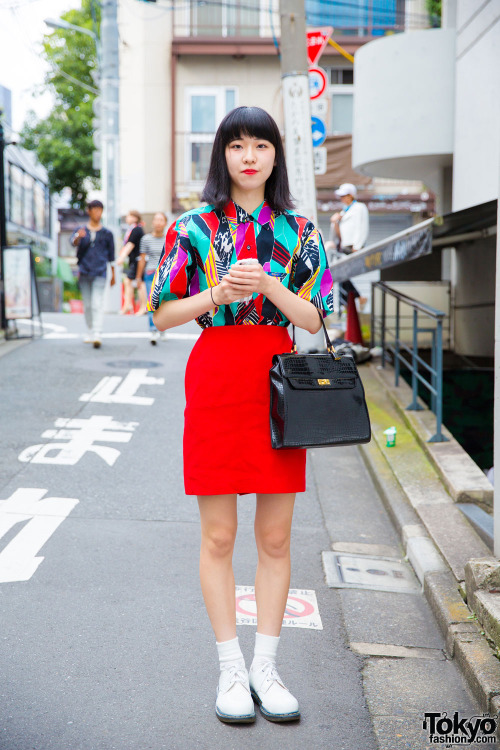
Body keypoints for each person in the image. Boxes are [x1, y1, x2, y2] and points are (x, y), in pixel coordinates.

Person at [148, 106, 334, 725]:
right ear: (222, 155)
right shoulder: (192, 228)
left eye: (260, 145)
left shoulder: (302, 230)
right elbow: (163, 313)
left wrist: (272, 290)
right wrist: (217, 294)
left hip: (279, 382)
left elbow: (314, 318)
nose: (248, 156)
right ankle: (230, 667)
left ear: (277, 156)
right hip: (216, 379)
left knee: (276, 536)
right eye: (237, 145)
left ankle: (266, 666)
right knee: (220, 535)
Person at [71, 199, 115, 349]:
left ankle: (97, 332)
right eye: (94, 210)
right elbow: (73, 242)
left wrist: (113, 274)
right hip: (84, 271)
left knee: (97, 303)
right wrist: (79, 237)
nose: (97, 213)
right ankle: (90, 330)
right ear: (89, 211)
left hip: (100, 271)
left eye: (100, 210)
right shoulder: (80, 230)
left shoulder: (107, 233)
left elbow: (112, 256)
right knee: (88, 304)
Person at [325, 183, 369, 309]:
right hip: (343, 247)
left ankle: (356, 299)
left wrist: (358, 245)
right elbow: (340, 235)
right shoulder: (343, 211)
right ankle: (350, 303)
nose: (342, 198)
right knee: (340, 275)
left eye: (344, 196)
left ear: (351, 195)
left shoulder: (360, 208)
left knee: (342, 274)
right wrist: (335, 222)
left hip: (354, 247)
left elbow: (362, 227)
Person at [136, 212, 168, 345]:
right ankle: (153, 329)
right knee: (151, 302)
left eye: (161, 220)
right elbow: (142, 259)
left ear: (165, 223)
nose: (158, 222)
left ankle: (162, 327)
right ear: (152, 223)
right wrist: (138, 277)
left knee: (164, 303)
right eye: (156, 220)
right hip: (150, 273)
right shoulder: (146, 239)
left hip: (166, 274)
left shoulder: (170, 238)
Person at [116, 210, 146, 315]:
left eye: (129, 216)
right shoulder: (133, 229)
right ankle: (128, 304)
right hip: (135, 260)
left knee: (139, 282)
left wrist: (121, 257)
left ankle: (142, 307)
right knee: (129, 281)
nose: (127, 218)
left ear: (135, 217)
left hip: (139, 260)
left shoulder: (136, 229)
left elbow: (130, 245)